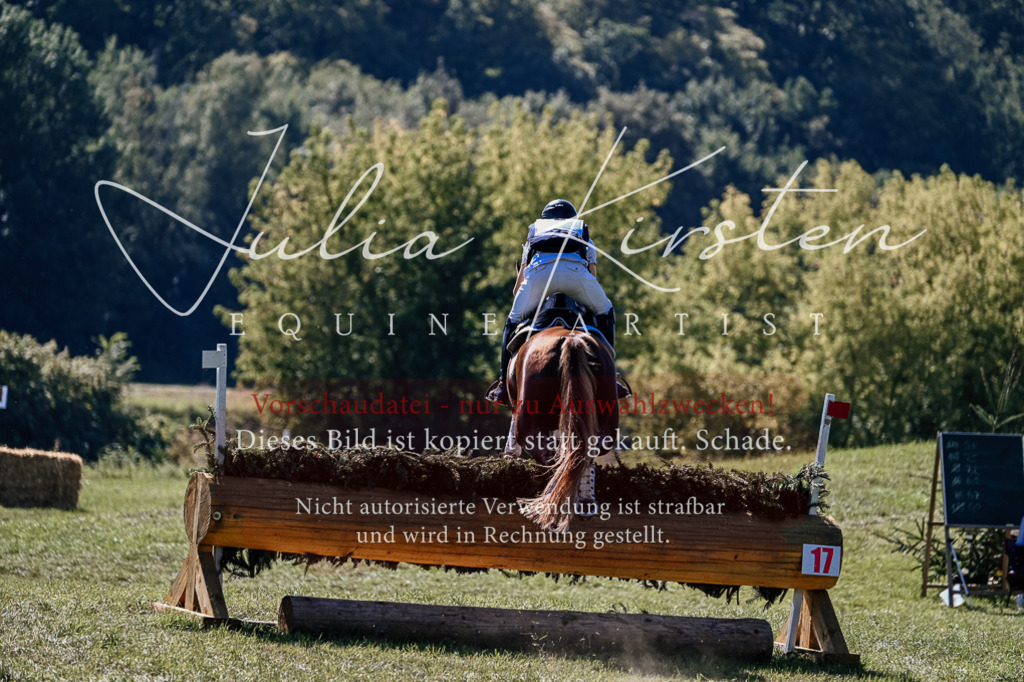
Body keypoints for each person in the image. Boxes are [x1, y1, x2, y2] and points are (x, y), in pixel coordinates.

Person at [487, 198, 619, 406]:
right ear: (572, 218)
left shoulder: (535, 232)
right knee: (606, 310)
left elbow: (517, 288)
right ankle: (612, 377)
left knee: (513, 319)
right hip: (575, 276)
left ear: (545, 218)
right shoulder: (581, 232)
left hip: (539, 277)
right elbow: (592, 275)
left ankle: (503, 384)